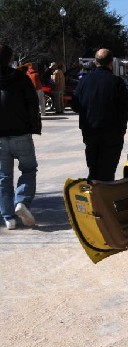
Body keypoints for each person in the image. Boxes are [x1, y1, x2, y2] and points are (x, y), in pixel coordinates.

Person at [71, 48, 128, 181]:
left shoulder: (84, 81)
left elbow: (75, 105)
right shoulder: (117, 82)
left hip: (90, 131)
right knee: (108, 170)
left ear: (95, 62)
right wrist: (121, 129)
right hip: (112, 134)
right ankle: (104, 196)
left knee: (93, 167)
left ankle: (94, 191)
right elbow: (125, 110)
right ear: (111, 63)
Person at [0, 43, 41, 229]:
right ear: (10, 58)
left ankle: (8, 217)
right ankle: (22, 202)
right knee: (29, 169)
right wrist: (34, 126)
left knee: (3, 177)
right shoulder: (21, 78)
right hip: (21, 133)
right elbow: (32, 103)